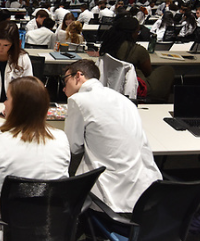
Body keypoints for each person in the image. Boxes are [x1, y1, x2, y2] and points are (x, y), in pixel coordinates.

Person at [0, 76, 70, 241]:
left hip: (8, 230)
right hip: (50, 226)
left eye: (8, 98)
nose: (4, 103)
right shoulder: (62, 139)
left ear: (19, 107)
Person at [62, 59, 162, 213]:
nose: (63, 87)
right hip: (148, 189)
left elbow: (72, 147)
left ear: (78, 76)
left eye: (65, 80)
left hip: (114, 197)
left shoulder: (78, 100)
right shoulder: (122, 99)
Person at [100, 16, 174, 101]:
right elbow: (147, 72)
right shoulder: (137, 50)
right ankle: (162, 102)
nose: (138, 34)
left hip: (112, 82)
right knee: (168, 70)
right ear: (131, 33)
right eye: (137, 32)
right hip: (137, 87)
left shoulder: (107, 46)